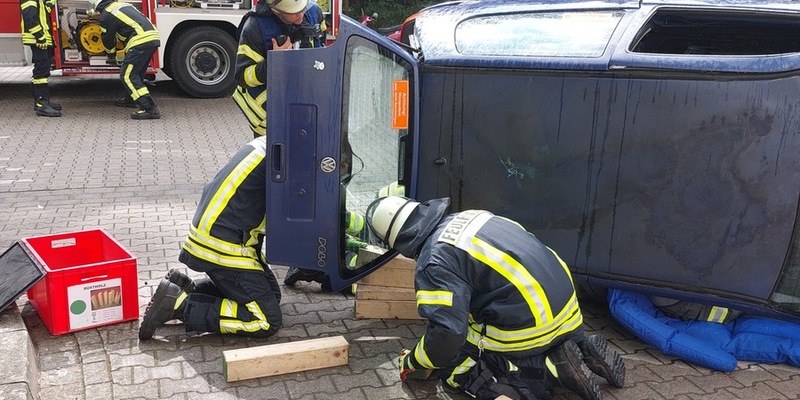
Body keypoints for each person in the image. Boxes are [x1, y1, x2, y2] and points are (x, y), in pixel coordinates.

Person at [366, 196, 626, 400]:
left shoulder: (433, 260)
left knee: (455, 361)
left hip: (534, 321)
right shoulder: (472, 216)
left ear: (397, 241)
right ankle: (578, 345)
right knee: (482, 323)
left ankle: (550, 371)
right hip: (568, 306)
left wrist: (414, 361)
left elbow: (447, 334)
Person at [139, 136, 283, 340]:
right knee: (266, 319)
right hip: (225, 245)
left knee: (272, 297)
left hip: (219, 234)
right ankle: (180, 306)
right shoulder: (288, 155)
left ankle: (186, 290)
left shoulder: (273, 141)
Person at [232, 0, 326, 138]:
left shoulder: (314, 12)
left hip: (307, 111)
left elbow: (322, 46)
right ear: (277, 11)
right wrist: (274, 61)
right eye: (293, 13)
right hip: (270, 120)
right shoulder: (254, 27)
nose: (301, 16)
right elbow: (242, 77)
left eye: (302, 8)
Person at [89, 0, 161, 120]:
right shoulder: (121, 5)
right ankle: (131, 99)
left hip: (140, 41)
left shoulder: (106, 14)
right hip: (151, 38)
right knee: (136, 74)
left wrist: (111, 54)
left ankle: (149, 108)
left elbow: (108, 38)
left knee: (127, 76)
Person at [20, 0, 62, 117]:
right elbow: (30, 18)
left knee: (42, 70)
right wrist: (40, 37)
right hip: (38, 40)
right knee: (41, 72)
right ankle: (42, 104)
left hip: (42, 39)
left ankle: (42, 101)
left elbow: (45, 11)